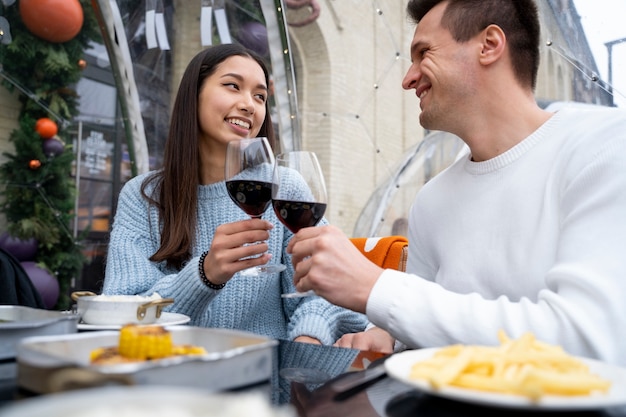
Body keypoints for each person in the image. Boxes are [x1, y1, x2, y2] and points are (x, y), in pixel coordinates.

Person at [287, 0, 626, 365]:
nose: (408, 78)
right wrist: (386, 334)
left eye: (423, 53)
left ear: (490, 44)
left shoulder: (605, 146)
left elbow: (590, 339)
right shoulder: (431, 200)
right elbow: (425, 326)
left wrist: (376, 288)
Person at [102, 43, 368, 345]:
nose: (249, 104)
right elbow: (118, 311)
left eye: (260, 96)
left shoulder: (284, 187)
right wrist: (205, 274)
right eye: (232, 86)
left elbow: (325, 292)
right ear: (194, 94)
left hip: (263, 383)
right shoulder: (142, 196)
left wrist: (309, 335)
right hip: (169, 378)